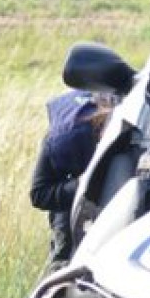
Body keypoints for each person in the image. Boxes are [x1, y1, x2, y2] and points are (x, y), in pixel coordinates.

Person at [29, 89, 114, 267]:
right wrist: (82, 183)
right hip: (74, 181)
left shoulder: (138, 129)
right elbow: (40, 194)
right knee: (64, 257)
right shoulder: (66, 137)